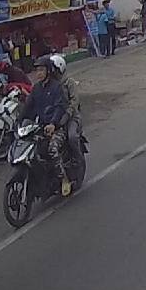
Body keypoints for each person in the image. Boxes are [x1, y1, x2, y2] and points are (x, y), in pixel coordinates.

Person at [20, 55, 72, 195]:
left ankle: (64, 179)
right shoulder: (36, 89)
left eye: (42, 70)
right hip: (40, 127)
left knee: (52, 149)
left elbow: (59, 107)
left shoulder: (56, 87)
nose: (39, 73)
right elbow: (28, 107)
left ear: (48, 71)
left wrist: (53, 124)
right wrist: (18, 122)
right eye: (37, 70)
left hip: (57, 127)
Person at [49, 54, 85, 190]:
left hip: (72, 117)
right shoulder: (50, 85)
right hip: (55, 118)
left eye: (54, 70)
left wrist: (67, 114)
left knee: (72, 137)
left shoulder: (69, 83)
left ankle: (77, 159)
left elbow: (74, 101)